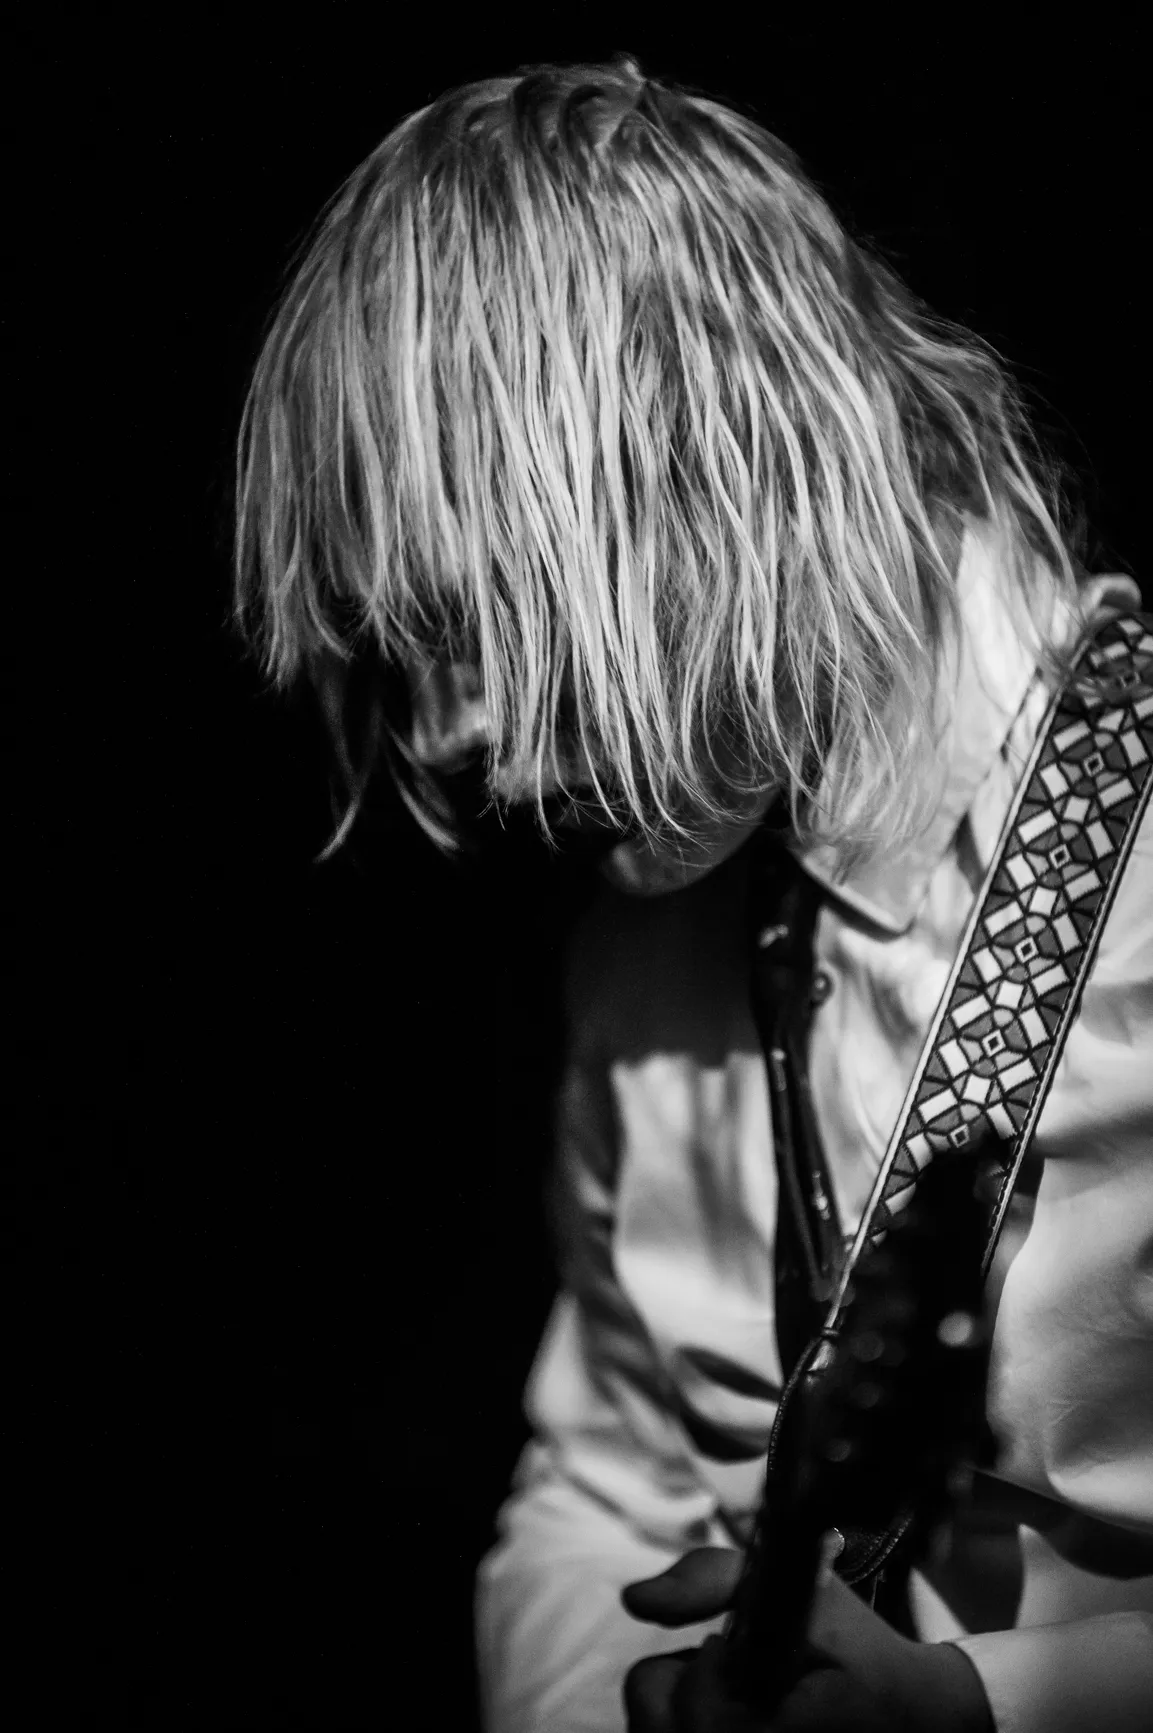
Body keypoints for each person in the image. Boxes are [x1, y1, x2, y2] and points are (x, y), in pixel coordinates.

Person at [231, 54, 1153, 1732]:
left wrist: (984, 1710)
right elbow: (598, 1489)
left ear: (723, 460)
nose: (451, 742)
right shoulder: (641, 949)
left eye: (483, 617)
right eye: (408, 656)